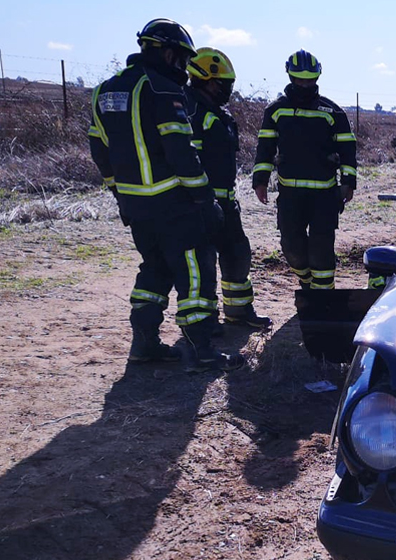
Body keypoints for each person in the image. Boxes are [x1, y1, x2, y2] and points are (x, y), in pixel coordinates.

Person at [88, 18, 244, 372]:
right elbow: (180, 152)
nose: (184, 70)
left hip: (134, 203)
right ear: (169, 53)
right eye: (182, 60)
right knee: (195, 272)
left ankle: (144, 345)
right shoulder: (162, 90)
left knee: (154, 270)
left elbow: (100, 149)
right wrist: (205, 198)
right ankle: (202, 351)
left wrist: (118, 192)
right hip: (174, 203)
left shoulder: (104, 92)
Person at [252, 50, 357, 291]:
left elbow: (348, 151)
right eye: (300, 80)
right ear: (290, 77)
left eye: (310, 80)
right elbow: (265, 149)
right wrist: (260, 181)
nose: (305, 84)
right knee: (292, 248)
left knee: (321, 250)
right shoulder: (276, 111)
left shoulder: (333, 112)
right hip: (290, 195)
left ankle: (323, 298)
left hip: (325, 195)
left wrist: (348, 182)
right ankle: (308, 282)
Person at [184, 47, 272, 330]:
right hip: (199, 204)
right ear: (206, 80)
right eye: (224, 84)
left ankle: (238, 311)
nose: (228, 90)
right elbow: (185, 160)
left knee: (237, 255)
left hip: (226, 202)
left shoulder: (217, 112)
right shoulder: (190, 111)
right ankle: (205, 324)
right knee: (205, 264)